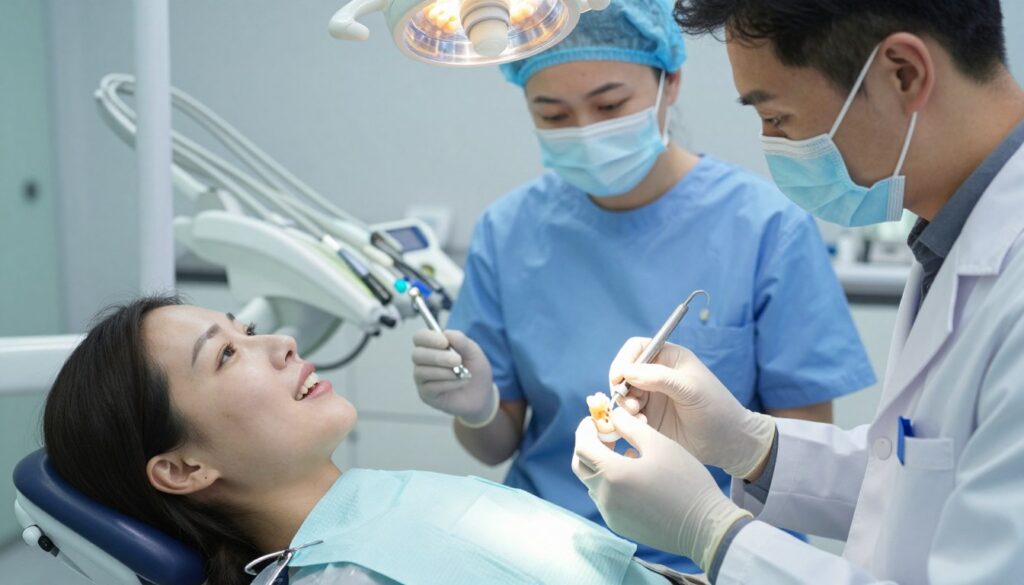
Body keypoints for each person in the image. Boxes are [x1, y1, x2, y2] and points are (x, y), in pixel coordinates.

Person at [409, 0, 874, 572]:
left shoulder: (766, 226)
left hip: (710, 561)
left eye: (610, 104)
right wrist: (478, 411)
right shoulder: (509, 231)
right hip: (542, 552)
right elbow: (496, 446)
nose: (586, 130)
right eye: (554, 115)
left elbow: (803, 462)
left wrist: (710, 531)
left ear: (669, 82)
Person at [572, 0, 1024, 583]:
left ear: (903, 74)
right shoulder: (955, 235)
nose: (773, 145)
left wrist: (711, 533)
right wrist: (751, 445)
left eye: (778, 117)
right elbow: (925, 470)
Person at [43, 295, 706, 585]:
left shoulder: (368, 505)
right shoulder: (341, 572)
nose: (280, 343)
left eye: (244, 329)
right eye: (224, 355)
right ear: (183, 467)